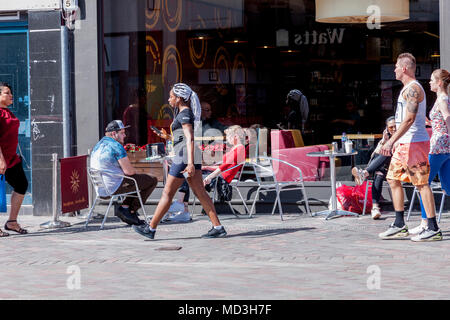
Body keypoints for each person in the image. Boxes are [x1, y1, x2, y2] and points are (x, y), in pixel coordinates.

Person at [133, 83, 227, 239]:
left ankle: (150, 229)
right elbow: (184, 138)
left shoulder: (184, 114)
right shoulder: (186, 113)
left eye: (171, 96)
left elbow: (190, 138)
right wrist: (168, 137)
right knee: (200, 193)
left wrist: (189, 163)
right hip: (189, 155)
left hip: (184, 157)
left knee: (167, 193)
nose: (169, 99)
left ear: (179, 98)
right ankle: (218, 227)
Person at [378, 52, 442, 242]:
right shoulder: (407, 89)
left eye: (397, 67)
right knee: (392, 179)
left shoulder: (413, 89)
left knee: (421, 183)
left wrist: (391, 140)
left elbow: (410, 119)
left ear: (404, 68)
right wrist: (396, 140)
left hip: (414, 143)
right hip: (405, 143)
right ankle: (399, 224)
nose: (395, 70)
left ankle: (432, 227)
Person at [90, 120, 158, 226]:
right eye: (122, 133)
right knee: (151, 180)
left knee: (136, 181)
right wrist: (137, 172)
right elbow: (129, 172)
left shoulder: (98, 145)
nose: (125, 135)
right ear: (114, 134)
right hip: (113, 187)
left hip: (100, 189)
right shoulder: (116, 146)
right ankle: (130, 211)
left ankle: (125, 208)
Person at [411, 69, 450, 235]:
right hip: (444, 145)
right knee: (448, 186)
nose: (429, 82)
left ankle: (425, 222)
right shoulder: (443, 98)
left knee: (422, 182)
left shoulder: (442, 99)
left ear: (439, 83)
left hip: (439, 145)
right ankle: (425, 221)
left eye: (432, 80)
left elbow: (447, 117)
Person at [351, 116, 396, 219]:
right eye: (390, 127)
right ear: (386, 129)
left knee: (386, 154)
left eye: (395, 126)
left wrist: (389, 145)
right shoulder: (386, 138)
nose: (393, 129)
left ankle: (365, 173)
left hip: (399, 167)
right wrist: (384, 141)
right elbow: (375, 155)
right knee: (379, 174)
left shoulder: (403, 136)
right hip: (385, 169)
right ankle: (375, 208)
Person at [0, 82, 28, 236]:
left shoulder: (8, 112)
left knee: (22, 184)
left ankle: (11, 222)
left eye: (11, 93)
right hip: (1, 160)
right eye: (7, 93)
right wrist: (1, 159)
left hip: (11, 159)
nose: (11, 96)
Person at [202, 125, 246, 193]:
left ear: (236, 136)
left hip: (221, 178)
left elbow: (225, 166)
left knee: (189, 175)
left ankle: (183, 200)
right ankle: (184, 199)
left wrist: (210, 176)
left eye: (228, 136)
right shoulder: (236, 148)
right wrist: (206, 167)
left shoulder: (240, 148)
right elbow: (224, 167)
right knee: (189, 173)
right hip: (219, 176)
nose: (227, 139)